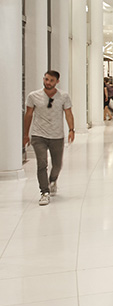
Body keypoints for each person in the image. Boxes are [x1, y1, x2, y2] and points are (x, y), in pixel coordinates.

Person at [22, 70, 75, 205]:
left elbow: (68, 113)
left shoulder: (63, 96)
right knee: (42, 163)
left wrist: (71, 129)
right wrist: (25, 134)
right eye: (46, 79)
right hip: (38, 135)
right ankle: (44, 192)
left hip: (57, 135)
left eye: (51, 80)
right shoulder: (33, 96)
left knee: (57, 164)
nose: (48, 82)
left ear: (57, 82)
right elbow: (28, 115)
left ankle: (53, 180)